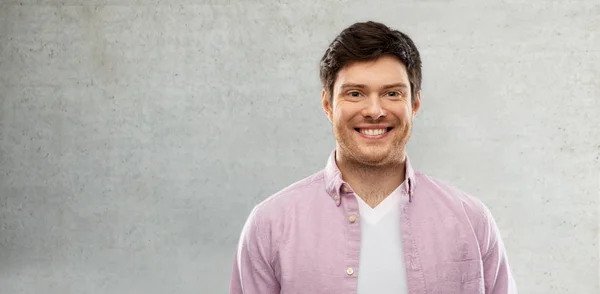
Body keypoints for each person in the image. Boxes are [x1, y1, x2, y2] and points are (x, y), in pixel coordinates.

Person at [229, 21, 517, 294]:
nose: (375, 110)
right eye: (355, 93)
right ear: (328, 104)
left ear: (414, 103)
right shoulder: (270, 224)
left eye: (392, 93)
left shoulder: (471, 220)